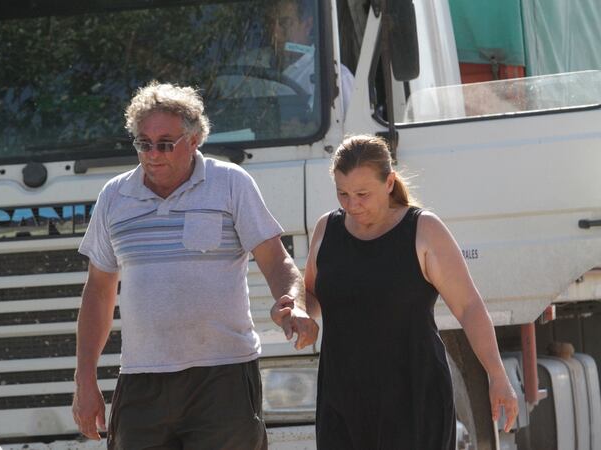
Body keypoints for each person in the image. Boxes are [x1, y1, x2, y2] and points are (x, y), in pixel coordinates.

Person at [71, 81, 318, 450]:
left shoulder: (231, 182)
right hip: (143, 379)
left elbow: (276, 259)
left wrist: (293, 303)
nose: (153, 154)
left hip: (224, 376)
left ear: (196, 138)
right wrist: (84, 379)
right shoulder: (114, 196)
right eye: (143, 143)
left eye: (166, 143)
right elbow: (98, 292)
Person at [272, 135, 519, 449]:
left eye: (362, 194)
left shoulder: (423, 230)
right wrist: (297, 312)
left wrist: (496, 374)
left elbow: (469, 306)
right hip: (342, 399)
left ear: (389, 183)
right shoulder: (327, 228)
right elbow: (312, 294)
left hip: (414, 399)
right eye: (342, 194)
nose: (352, 205)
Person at [267, 0, 354, 111]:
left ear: (307, 25)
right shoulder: (256, 67)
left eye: (285, 23)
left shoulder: (336, 78)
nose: (275, 34)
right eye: (270, 23)